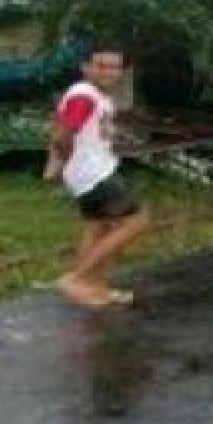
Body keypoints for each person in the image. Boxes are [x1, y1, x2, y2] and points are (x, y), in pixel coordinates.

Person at [44, 46, 150, 308]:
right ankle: (77, 279)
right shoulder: (85, 96)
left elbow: (62, 124)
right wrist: (62, 160)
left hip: (91, 170)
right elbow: (62, 134)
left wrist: (57, 165)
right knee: (136, 221)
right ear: (86, 68)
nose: (109, 72)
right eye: (101, 66)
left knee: (97, 227)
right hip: (94, 174)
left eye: (114, 67)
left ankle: (95, 288)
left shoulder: (94, 96)